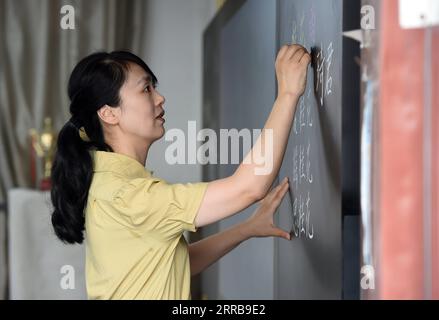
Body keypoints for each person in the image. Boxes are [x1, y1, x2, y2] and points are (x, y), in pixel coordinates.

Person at [50, 45, 311, 299]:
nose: (160, 97)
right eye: (146, 89)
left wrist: (246, 229)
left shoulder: (109, 182)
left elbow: (172, 264)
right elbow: (248, 187)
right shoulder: (128, 195)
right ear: (109, 113)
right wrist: (287, 94)